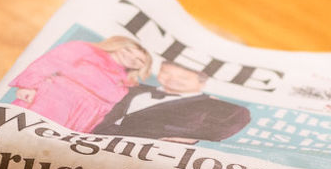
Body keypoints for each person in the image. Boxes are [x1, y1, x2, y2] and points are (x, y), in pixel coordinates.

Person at [6, 35, 150, 132]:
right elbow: (47, 63)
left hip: (82, 118)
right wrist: (28, 86)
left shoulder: (127, 83)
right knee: (25, 132)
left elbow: (106, 111)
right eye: (129, 50)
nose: (132, 58)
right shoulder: (84, 49)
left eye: (140, 60)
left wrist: (86, 129)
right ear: (117, 44)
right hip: (54, 100)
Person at [93, 60, 252, 142]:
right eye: (167, 73)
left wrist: (195, 138)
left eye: (183, 78)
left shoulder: (214, 107)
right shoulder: (135, 87)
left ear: (201, 82)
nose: (172, 80)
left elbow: (237, 119)